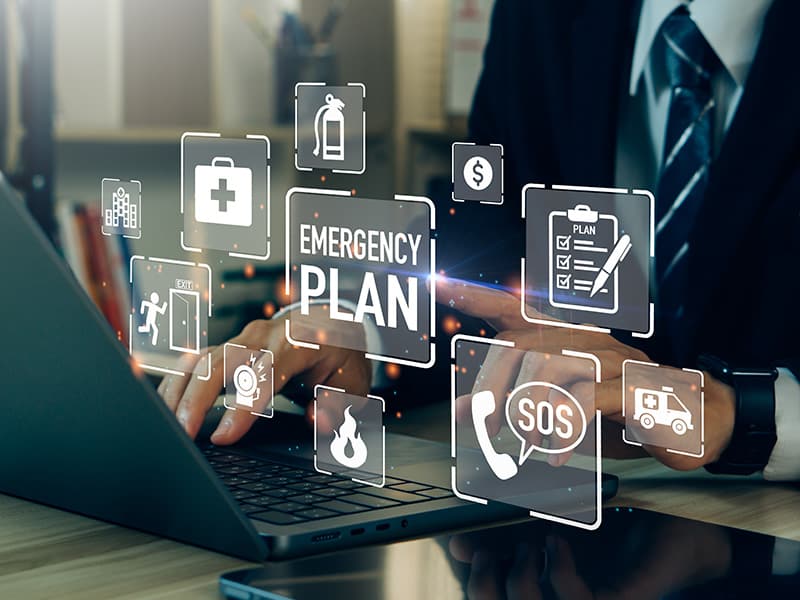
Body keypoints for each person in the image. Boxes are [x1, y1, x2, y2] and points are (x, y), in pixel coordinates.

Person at [158, 0, 800, 480]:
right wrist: (368, 340)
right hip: (586, 514)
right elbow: (486, 261)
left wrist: (737, 412)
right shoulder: (540, 16)